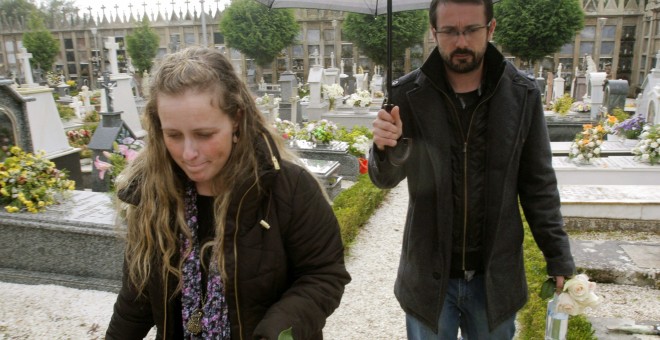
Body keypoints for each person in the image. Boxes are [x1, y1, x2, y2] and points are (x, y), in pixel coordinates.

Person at [106, 47, 350, 339]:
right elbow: (137, 296)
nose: (188, 153)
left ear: (236, 118)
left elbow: (324, 274)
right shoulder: (152, 193)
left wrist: (277, 331)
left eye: (204, 135)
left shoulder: (290, 188)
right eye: (173, 135)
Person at [368, 0, 575, 339]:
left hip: (494, 278)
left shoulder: (522, 95)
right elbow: (384, 179)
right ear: (434, 32)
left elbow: (538, 185)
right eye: (449, 31)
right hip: (428, 279)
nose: (461, 42)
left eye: (471, 30)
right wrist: (384, 147)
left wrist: (558, 257)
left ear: (490, 29)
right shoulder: (406, 94)